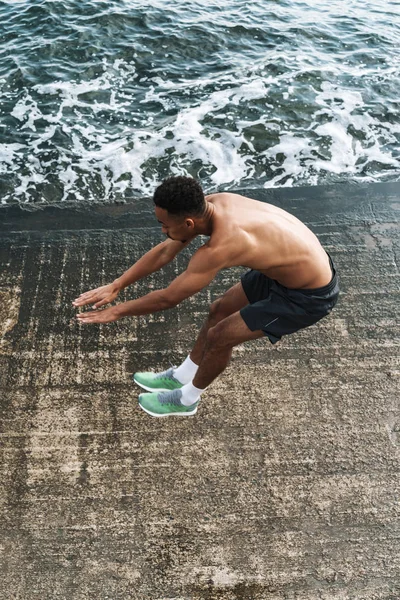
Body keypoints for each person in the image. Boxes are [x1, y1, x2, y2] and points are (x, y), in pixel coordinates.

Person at [73, 176, 339, 417]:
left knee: (220, 336)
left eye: (164, 226)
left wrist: (117, 311)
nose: (163, 232)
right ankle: (181, 376)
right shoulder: (213, 203)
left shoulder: (223, 244)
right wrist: (117, 285)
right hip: (285, 269)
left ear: (188, 223)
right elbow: (166, 251)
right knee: (219, 310)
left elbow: (169, 298)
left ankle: (187, 399)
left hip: (307, 295)